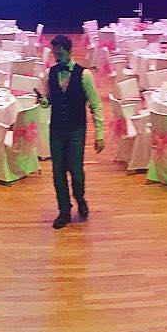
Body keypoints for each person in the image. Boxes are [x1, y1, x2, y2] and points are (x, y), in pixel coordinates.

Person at [37, 35, 103, 228]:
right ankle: (64, 210)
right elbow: (49, 100)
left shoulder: (84, 75)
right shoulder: (50, 73)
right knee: (58, 172)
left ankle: (80, 198)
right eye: (55, 53)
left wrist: (99, 134)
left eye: (60, 53)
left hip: (76, 129)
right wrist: (43, 101)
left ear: (69, 51)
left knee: (76, 170)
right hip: (57, 129)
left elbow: (96, 105)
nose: (57, 57)